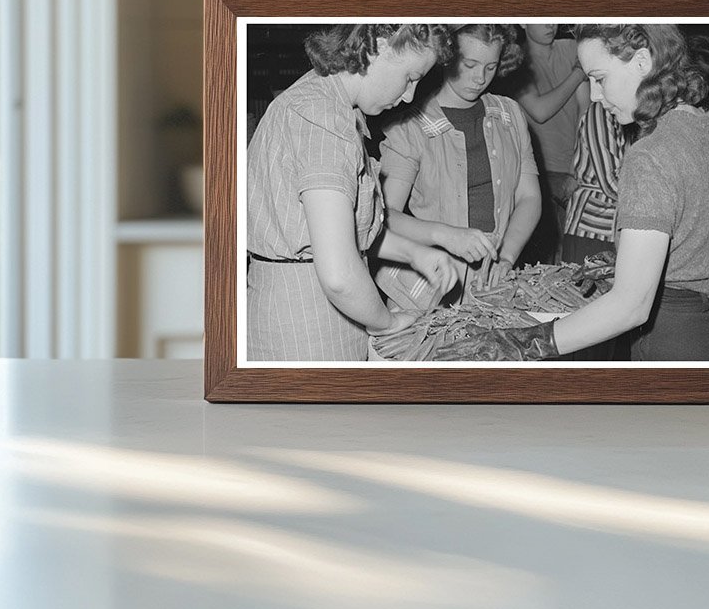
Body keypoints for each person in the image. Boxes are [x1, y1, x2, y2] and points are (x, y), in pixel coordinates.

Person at [433, 24, 709, 363]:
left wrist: (523, 344)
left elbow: (630, 307)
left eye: (600, 78)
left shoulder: (650, 155)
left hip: (674, 333)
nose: (596, 96)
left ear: (642, 62)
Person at [246, 23, 460, 362]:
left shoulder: (322, 99)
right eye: (410, 77)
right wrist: (387, 323)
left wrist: (414, 253)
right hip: (307, 325)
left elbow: (335, 233)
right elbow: (339, 276)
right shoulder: (322, 119)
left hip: (315, 311)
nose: (409, 96)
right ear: (377, 45)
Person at [377, 24, 542, 307]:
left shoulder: (510, 115)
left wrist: (507, 257)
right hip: (429, 288)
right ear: (446, 57)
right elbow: (383, 217)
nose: (480, 78)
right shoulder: (409, 128)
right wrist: (445, 234)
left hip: (494, 286)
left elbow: (529, 197)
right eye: (470, 64)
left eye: (491, 67)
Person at [515, 24, 589, 262]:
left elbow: (585, 111)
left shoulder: (572, 48)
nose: (551, 24)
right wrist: (578, 73)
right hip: (538, 174)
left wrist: (577, 166)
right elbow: (540, 110)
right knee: (546, 257)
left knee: (575, 256)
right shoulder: (515, 59)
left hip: (576, 168)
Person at [561, 100, 626, 264]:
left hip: (617, 228)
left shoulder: (629, 114)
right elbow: (610, 181)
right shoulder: (601, 111)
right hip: (592, 229)